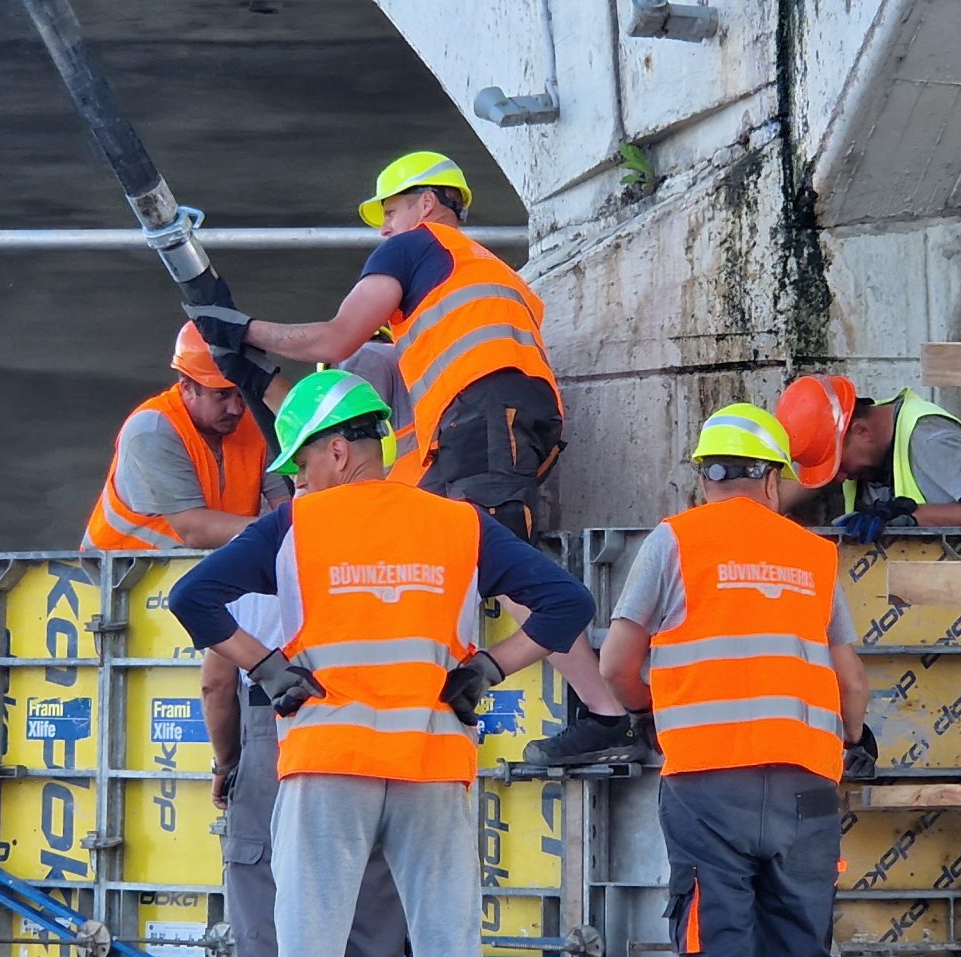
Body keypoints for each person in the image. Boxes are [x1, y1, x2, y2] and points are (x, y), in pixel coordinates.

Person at [169, 369, 597, 957]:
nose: (294, 477)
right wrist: (490, 668)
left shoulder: (297, 526)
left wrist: (266, 665)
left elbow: (195, 598)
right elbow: (566, 604)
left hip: (329, 766)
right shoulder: (457, 524)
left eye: (299, 459)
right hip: (433, 765)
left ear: (337, 450)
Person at [185, 151, 649, 767]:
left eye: (390, 209)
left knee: (503, 566)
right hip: (484, 422)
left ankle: (605, 715)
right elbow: (341, 447)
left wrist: (241, 328)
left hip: (487, 418)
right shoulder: (486, 279)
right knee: (426, 537)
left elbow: (333, 339)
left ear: (426, 204)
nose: (383, 227)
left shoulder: (415, 248)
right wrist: (257, 374)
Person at [598, 405, 871, 957]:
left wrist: (656, 707)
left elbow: (621, 664)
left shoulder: (673, 541)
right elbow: (852, 681)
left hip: (707, 784)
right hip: (806, 788)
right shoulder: (813, 555)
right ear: (774, 479)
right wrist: (850, 736)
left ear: (704, 475)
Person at [199, 487, 417, 957]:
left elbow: (216, 679)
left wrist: (227, 762)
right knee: (372, 937)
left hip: (280, 739)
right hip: (382, 742)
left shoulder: (259, 556)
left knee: (268, 948)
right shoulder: (396, 553)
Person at [775, 376, 961, 720]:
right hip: (915, 617)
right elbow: (778, 497)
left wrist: (911, 516)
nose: (841, 477)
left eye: (839, 464)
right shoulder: (861, 453)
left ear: (861, 431)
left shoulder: (929, 436)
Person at [83, 324, 271, 550]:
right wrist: (279, 528)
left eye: (242, 394)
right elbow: (194, 531)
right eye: (221, 394)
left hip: (193, 571)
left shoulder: (256, 426)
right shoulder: (152, 430)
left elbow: (290, 504)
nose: (236, 408)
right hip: (116, 578)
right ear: (187, 388)